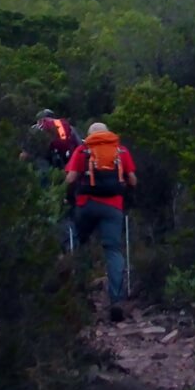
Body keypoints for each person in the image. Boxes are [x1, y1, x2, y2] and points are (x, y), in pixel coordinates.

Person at [64, 122, 137, 322]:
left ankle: (80, 294)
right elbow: (132, 180)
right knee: (113, 250)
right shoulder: (121, 151)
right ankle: (116, 301)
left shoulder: (83, 150)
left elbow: (70, 179)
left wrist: (67, 197)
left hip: (85, 205)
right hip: (113, 207)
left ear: (89, 135)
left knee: (80, 243)